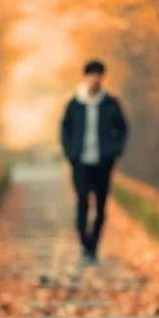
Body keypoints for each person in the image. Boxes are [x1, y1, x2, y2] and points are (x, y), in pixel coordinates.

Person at [60, 59, 128, 261]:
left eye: (98, 75)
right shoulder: (75, 104)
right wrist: (71, 153)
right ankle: (84, 244)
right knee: (82, 202)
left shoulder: (111, 104)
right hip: (80, 162)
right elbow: (65, 130)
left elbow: (123, 129)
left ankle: (94, 245)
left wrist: (114, 152)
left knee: (100, 206)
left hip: (103, 163)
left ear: (102, 78)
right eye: (92, 75)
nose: (95, 79)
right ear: (85, 77)